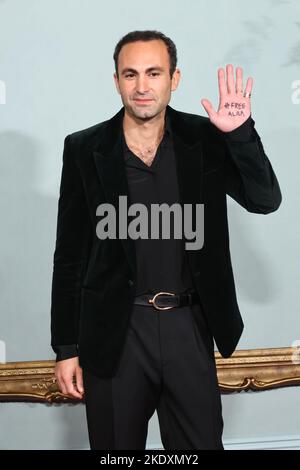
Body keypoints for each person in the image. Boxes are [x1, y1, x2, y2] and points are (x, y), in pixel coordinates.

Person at [50, 30, 282, 450]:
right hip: (116, 334)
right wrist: (66, 347)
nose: (142, 86)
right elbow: (69, 256)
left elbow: (265, 200)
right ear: (117, 80)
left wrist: (240, 134)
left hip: (188, 326)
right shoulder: (84, 148)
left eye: (154, 73)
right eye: (131, 74)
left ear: (174, 79)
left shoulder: (206, 138)